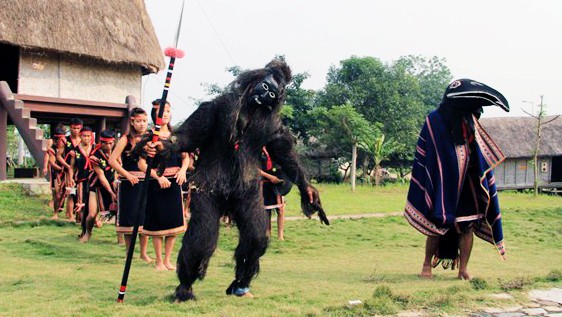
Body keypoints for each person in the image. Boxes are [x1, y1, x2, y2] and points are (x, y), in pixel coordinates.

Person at [404, 79, 510, 280]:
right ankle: (427, 265)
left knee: (467, 226)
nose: (477, 109)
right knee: (438, 223)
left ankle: (463, 269)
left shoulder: (470, 120)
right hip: (442, 183)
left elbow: (479, 151)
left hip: (469, 184)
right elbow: (429, 154)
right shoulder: (434, 120)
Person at [138, 100, 188, 271]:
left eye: (167, 110)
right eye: (161, 111)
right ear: (155, 115)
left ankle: (167, 260)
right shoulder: (150, 136)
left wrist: (183, 170)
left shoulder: (176, 136)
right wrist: (157, 177)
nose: (165, 114)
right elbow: (142, 164)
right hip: (156, 184)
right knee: (158, 223)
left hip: (174, 182)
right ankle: (158, 261)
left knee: (173, 224)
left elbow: (185, 157)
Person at [108, 107, 151, 262]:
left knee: (145, 219)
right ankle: (129, 252)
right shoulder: (125, 139)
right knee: (129, 219)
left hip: (146, 182)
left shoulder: (151, 138)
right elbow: (112, 160)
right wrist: (126, 174)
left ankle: (144, 253)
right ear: (132, 122)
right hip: (128, 183)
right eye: (138, 121)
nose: (142, 124)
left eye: (144, 121)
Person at [80, 130, 117, 243]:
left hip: (112, 184)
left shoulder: (116, 152)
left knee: (118, 212)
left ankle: (121, 239)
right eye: (106, 143)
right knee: (91, 214)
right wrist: (111, 193)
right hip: (96, 186)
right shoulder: (94, 156)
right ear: (101, 142)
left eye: (111, 143)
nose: (109, 146)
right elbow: (101, 177)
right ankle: (87, 232)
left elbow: (117, 169)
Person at [68, 126, 95, 238]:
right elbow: (71, 167)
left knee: (93, 207)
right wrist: (70, 178)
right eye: (84, 136)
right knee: (81, 206)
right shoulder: (75, 151)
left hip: (93, 181)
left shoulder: (95, 149)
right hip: (81, 181)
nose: (86, 138)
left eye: (88, 136)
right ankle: (84, 230)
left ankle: (90, 228)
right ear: (80, 136)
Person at [57, 118, 82, 222]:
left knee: (80, 194)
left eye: (78, 128)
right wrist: (67, 166)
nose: (76, 130)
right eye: (73, 128)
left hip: (81, 170)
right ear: (70, 128)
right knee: (71, 193)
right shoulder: (64, 140)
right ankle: (70, 215)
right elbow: (58, 156)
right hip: (68, 170)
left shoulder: (84, 138)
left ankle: (79, 217)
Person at [259, 147, 287, 241]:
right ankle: (267, 235)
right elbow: (254, 167)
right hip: (264, 183)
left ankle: (280, 236)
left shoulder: (275, 147)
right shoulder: (257, 149)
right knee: (266, 211)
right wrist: (269, 176)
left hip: (277, 184)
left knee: (281, 210)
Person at [47, 124, 67, 219]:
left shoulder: (68, 147)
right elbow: (52, 162)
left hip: (67, 173)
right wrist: (62, 168)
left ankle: (71, 214)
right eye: (58, 139)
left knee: (71, 194)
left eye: (61, 139)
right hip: (57, 173)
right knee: (57, 194)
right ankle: (55, 213)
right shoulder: (52, 149)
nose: (59, 141)